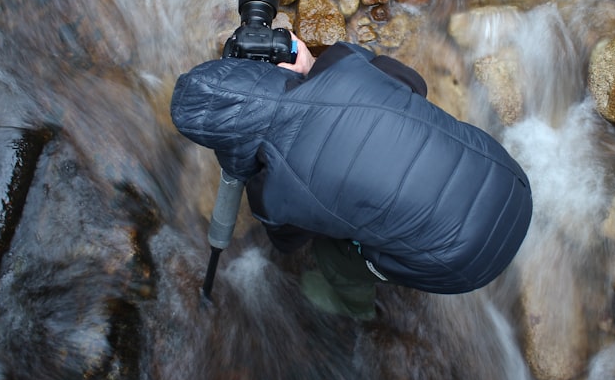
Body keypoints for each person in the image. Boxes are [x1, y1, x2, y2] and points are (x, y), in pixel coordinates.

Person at [170, 34, 532, 320]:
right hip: (508, 179)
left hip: (464, 264)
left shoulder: (273, 191)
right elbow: (415, 84)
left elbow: (287, 242)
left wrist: (251, 166)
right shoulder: (343, 61)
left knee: (331, 254)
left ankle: (352, 303)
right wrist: (313, 69)